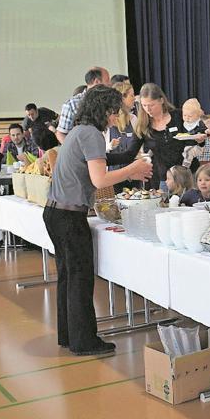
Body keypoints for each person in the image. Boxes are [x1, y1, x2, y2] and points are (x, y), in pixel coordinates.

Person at [43, 86, 152, 356]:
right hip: (69, 216)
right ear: (103, 110)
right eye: (114, 112)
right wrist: (132, 171)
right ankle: (84, 341)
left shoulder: (78, 132)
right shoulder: (91, 134)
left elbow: (113, 158)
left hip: (55, 213)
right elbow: (100, 180)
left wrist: (137, 142)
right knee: (80, 278)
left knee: (68, 277)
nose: (116, 118)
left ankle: (69, 336)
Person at [107, 83, 190, 189]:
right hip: (161, 179)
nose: (148, 109)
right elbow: (129, 154)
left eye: (151, 105)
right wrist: (103, 158)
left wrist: (201, 139)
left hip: (185, 176)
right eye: (144, 105)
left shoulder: (179, 116)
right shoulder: (143, 125)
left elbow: (193, 138)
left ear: (161, 100)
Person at [56, 67, 110, 143]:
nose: (110, 84)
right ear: (97, 82)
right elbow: (61, 133)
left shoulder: (108, 101)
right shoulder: (71, 104)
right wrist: (74, 151)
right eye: (107, 80)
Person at [105, 80, 138, 151]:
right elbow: (98, 150)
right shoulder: (106, 120)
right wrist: (110, 146)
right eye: (132, 95)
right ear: (122, 98)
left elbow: (139, 147)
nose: (134, 98)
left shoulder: (133, 119)